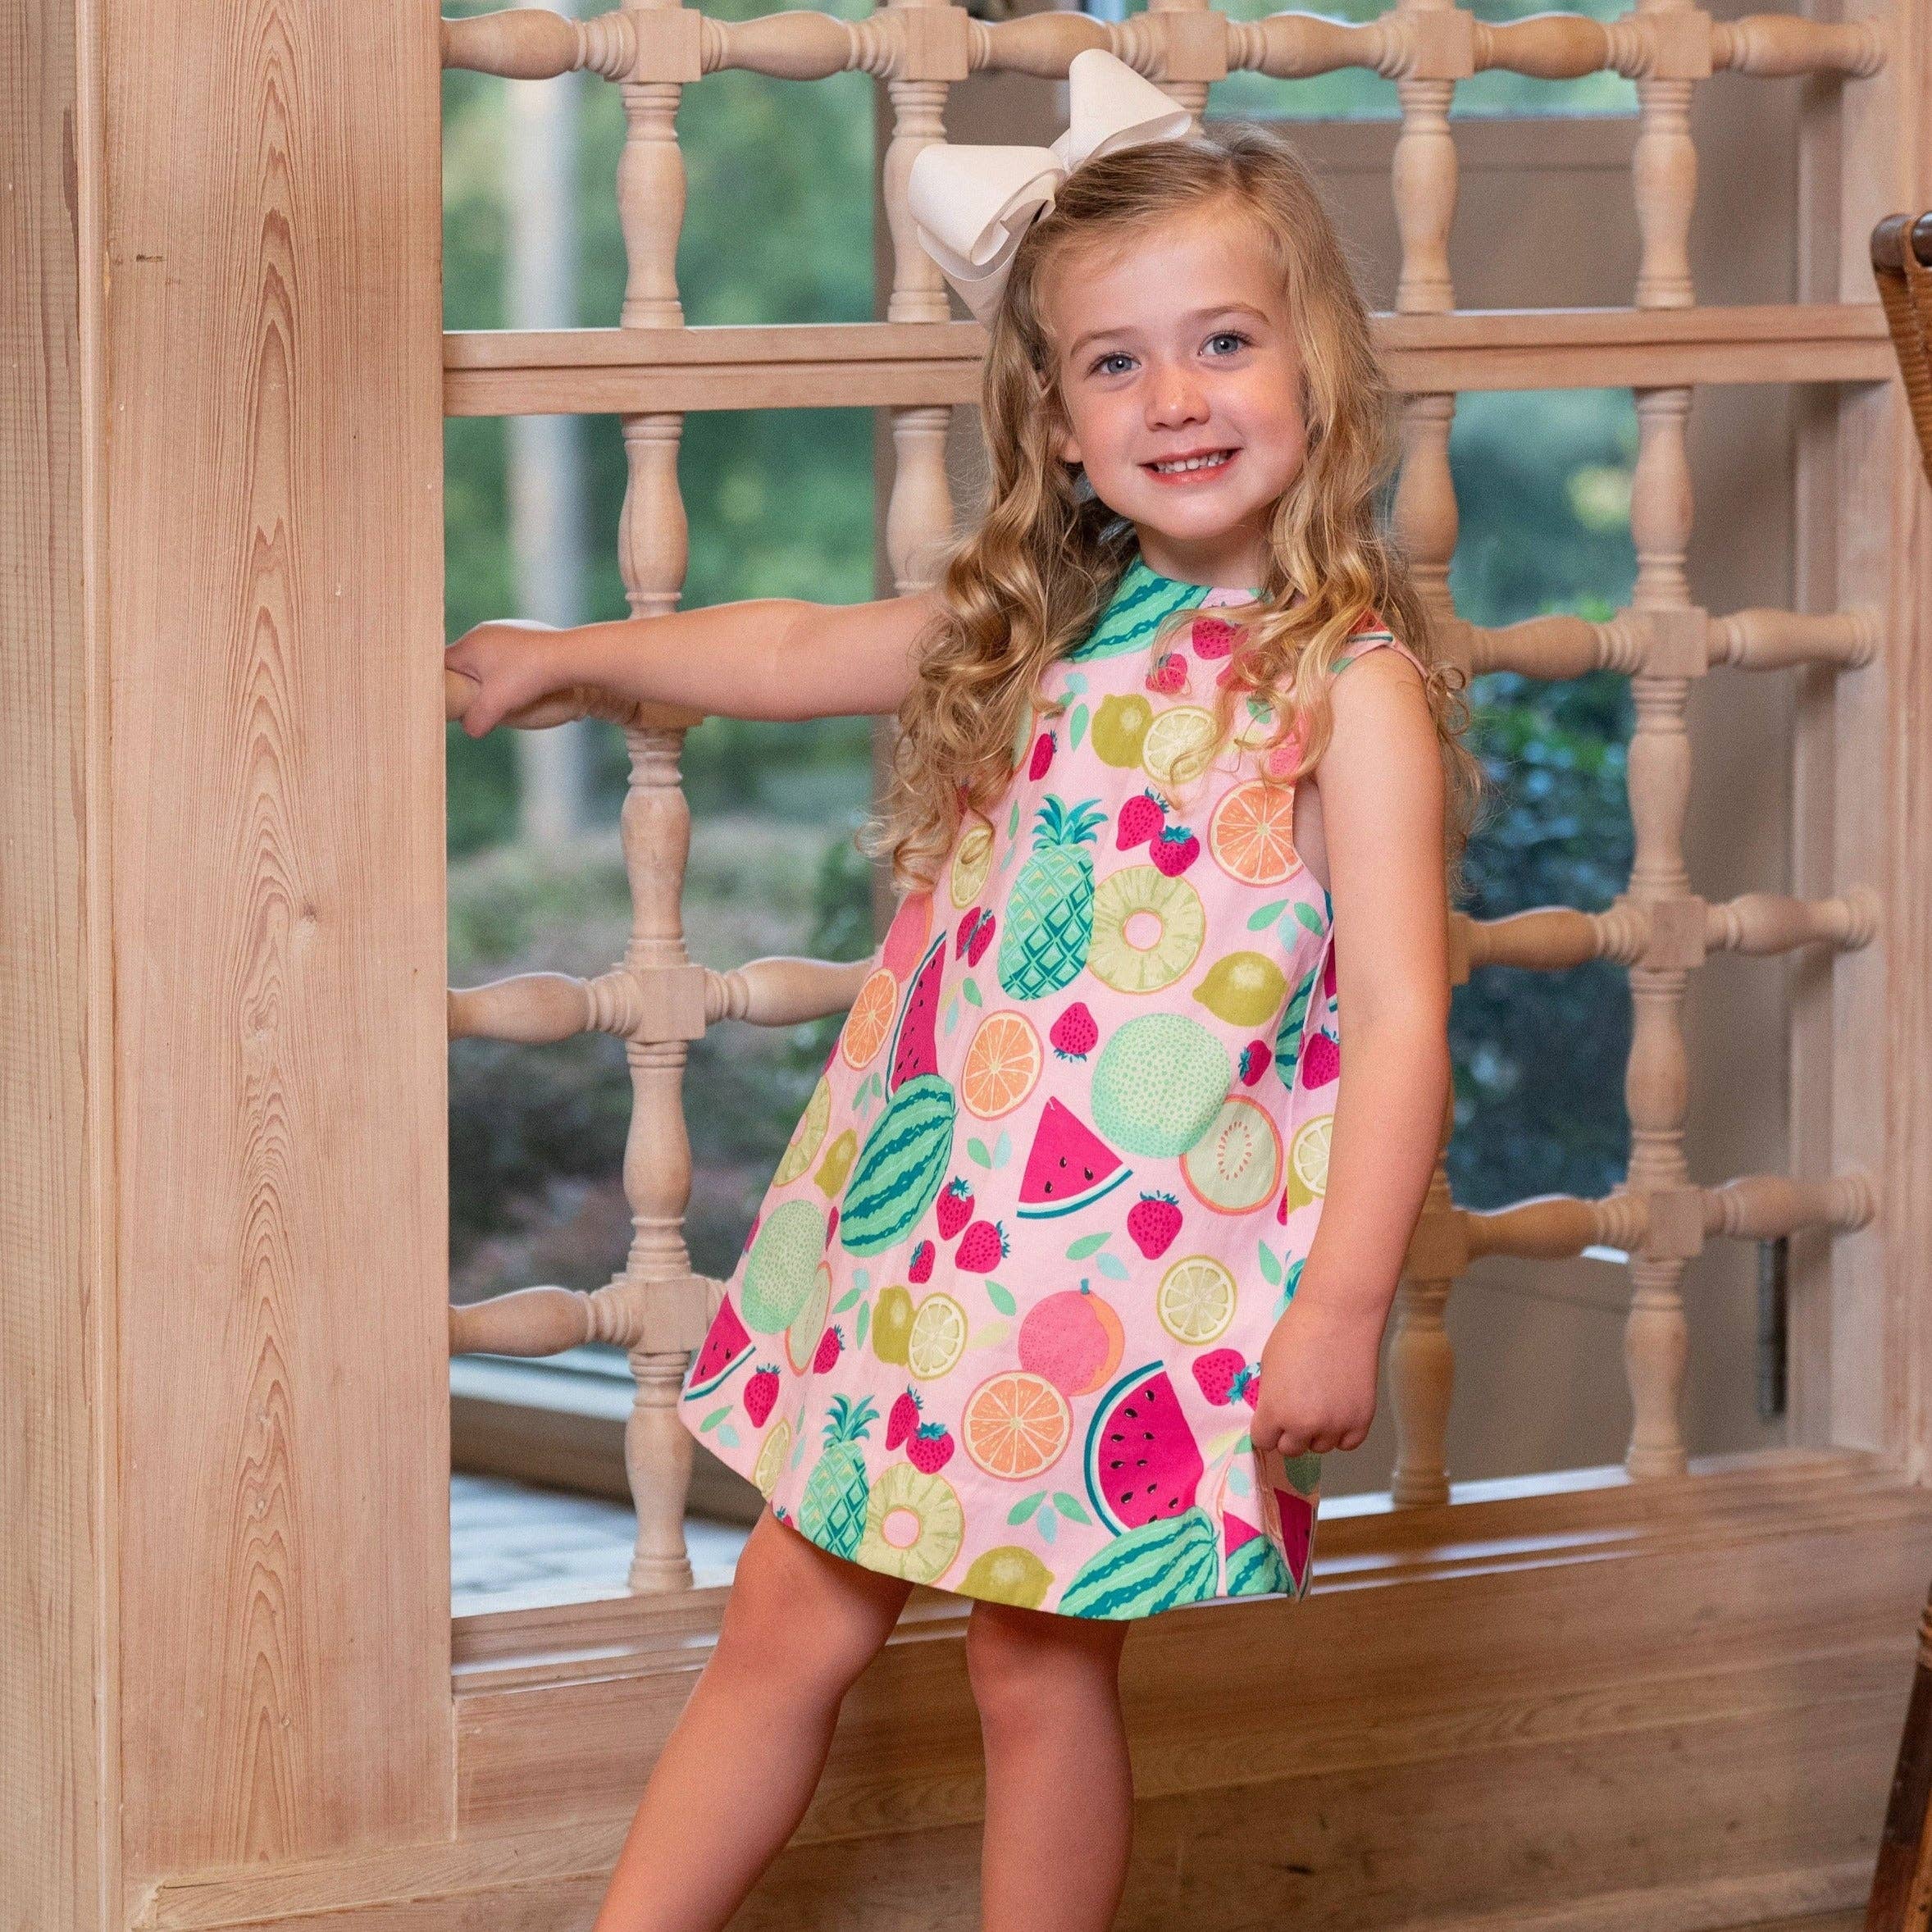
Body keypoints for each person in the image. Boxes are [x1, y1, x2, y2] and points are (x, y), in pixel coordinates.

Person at [444, 48, 1484, 1932]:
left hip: (1119, 1276)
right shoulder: (1051, 620)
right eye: (1114, 362)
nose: (1174, 396)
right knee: (783, 1614)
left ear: (1314, 365)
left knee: (1034, 1665)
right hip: (924, 1235)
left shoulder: (1349, 686)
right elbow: (790, 643)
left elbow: (1406, 1014)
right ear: (1058, 421)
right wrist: (572, 653)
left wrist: (1340, 1304)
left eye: (1221, 342)